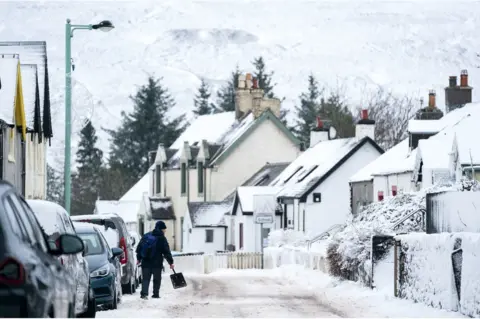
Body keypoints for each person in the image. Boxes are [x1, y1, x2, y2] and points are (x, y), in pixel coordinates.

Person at [136, 220, 174, 299]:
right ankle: (155, 294)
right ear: (161, 229)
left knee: (145, 279)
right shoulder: (162, 238)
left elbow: (139, 248)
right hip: (157, 263)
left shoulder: (146, 236)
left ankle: (144, 294)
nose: (165, 231)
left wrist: (138, 258)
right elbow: (166, 251)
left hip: (146, 262)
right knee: (157, 279)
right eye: (164, 229)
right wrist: (171, 262)